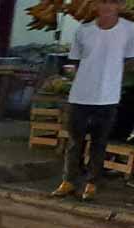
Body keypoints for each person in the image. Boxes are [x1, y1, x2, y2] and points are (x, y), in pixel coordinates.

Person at [52, 0, 134, 202]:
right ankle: (69, 180)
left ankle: (92, 183)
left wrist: (113, 77)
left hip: (108, 97)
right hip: (80, 95)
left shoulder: (129, 30)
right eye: (102, 3)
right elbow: (77, 61)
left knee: (99, 143)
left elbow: (129, 59)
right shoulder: (84, 30)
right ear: (96, 6)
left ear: (119, 6)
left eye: (112, 3)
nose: (107, 8)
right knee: (74, 142)